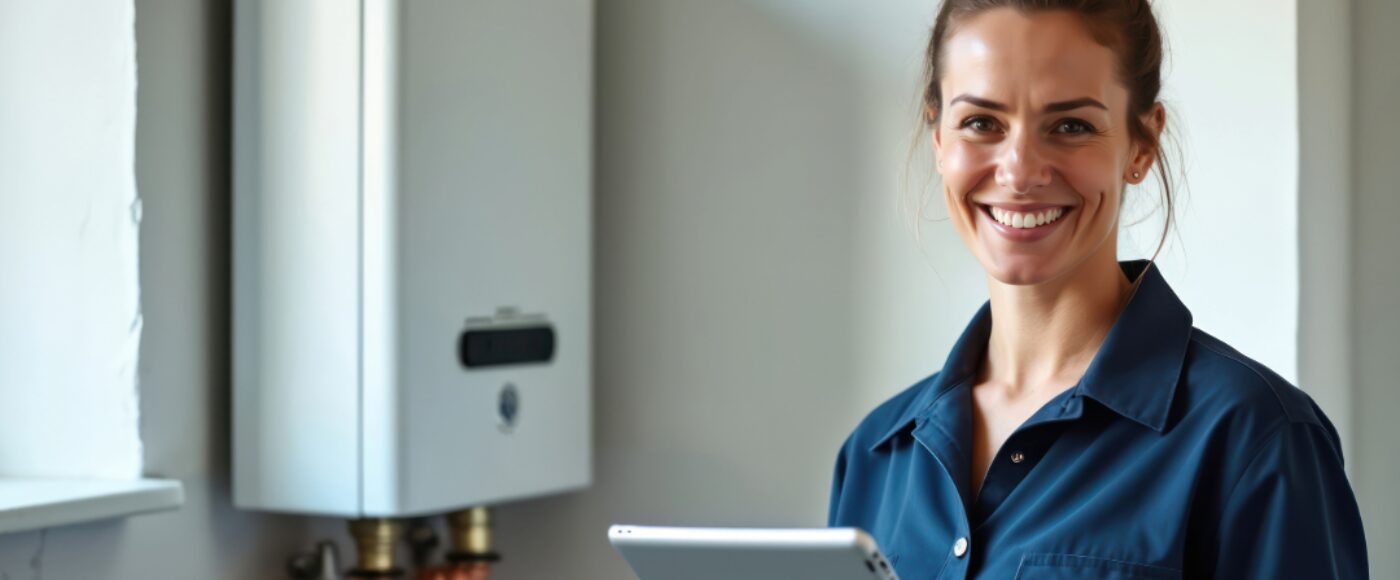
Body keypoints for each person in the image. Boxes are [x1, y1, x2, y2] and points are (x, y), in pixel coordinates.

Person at [826, 1, 1369, 578]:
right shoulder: (874, 455)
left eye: (1070, 126)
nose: (1019, 171)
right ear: (938, 137)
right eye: (982, 123)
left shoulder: (1255, 438)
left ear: (1141, 144)